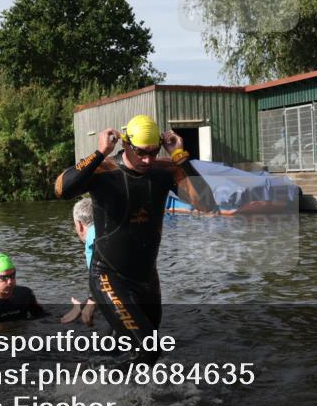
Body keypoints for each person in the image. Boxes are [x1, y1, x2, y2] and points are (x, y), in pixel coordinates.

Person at [54, 114, 216, 365]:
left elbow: (207, 204)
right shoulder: (104, 169)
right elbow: (61, 189)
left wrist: (179, 156)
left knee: (126, 347)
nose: (147, 159)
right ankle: (107, 395)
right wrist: (98, 152)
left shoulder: (164, 170)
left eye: (153, 152)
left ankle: (106, 383)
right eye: (141, 152)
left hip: (146, 280)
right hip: (108, 275)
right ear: (125, 144)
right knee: (148, 350)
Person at [61, 197, 97, 326]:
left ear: (80, 225)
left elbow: (106, 272)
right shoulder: (107, 232)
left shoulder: (94, 238)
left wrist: (92, 302)